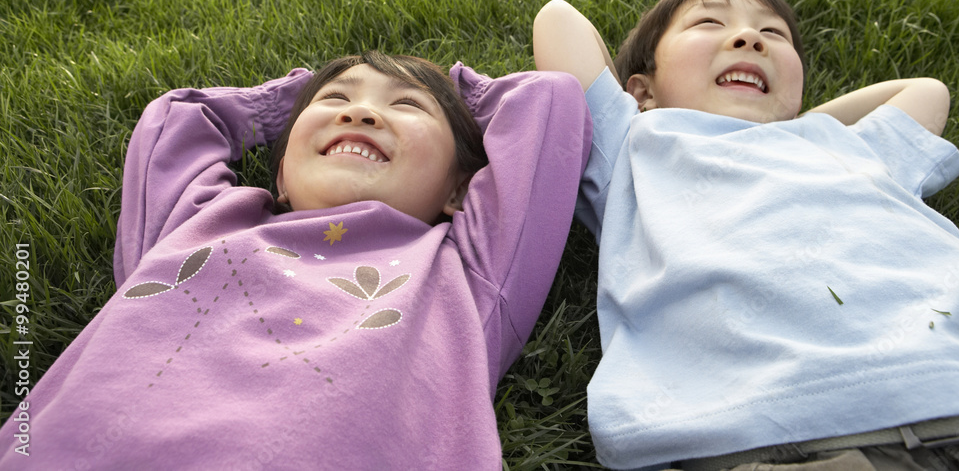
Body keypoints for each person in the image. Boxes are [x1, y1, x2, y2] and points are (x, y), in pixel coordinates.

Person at [0, 51, 591, 470]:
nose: (359, 113)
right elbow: (179, 117)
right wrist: (292, 96)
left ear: (459, 190)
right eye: (335, 100)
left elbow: (548, 101)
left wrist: (446, 84)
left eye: (409, 106)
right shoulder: (197, 224)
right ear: (281, 171)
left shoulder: (465, 270)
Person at [533, 0, 959, 471]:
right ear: (641, 89)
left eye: (773, 35)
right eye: (710, 23)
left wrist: (799, 128)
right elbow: (557, 18)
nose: (749, 38)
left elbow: (926, 91)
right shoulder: (633, 142)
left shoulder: (848, 149)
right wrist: (647, 107)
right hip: (774, 432)